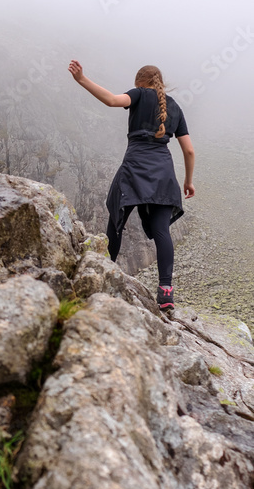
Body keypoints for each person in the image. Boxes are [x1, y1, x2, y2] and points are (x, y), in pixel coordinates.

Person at [68, 60, 195, 312]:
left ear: (139, 83)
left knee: (116, 220)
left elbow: (113, 100)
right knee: (161, 231)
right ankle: (166, 292)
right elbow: (189, 150)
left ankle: (105, 273)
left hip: (135, 166)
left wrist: (82, 79)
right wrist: (188, 181)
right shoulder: (175, 108)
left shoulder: (139, 94)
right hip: (163, 172)